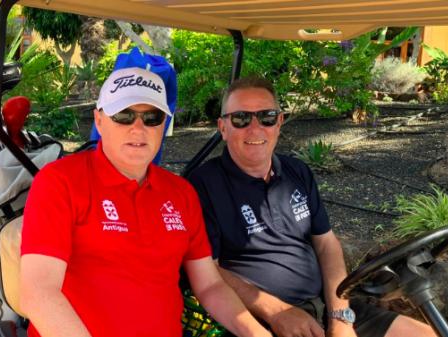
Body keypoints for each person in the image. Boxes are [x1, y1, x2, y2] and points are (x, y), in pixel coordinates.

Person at [19, 67, 272, 337]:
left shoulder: (181, 193)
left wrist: (257, 333)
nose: (138, 128)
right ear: (99, 120)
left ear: (163, 124)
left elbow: (210, 285)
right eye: (124, 115)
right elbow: (39, 292)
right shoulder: (60, 182)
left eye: (152, 117)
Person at [188, 77, 437, 337]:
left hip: (329, 306)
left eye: (267, 117)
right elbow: (209, 272)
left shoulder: (297, 172)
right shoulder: (202, 186)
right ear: (223, 127)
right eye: (240, 118)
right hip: (262, 319)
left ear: (279, 123)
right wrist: (276, 311)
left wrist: (340, 318)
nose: (255, 128)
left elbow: (326, 244)